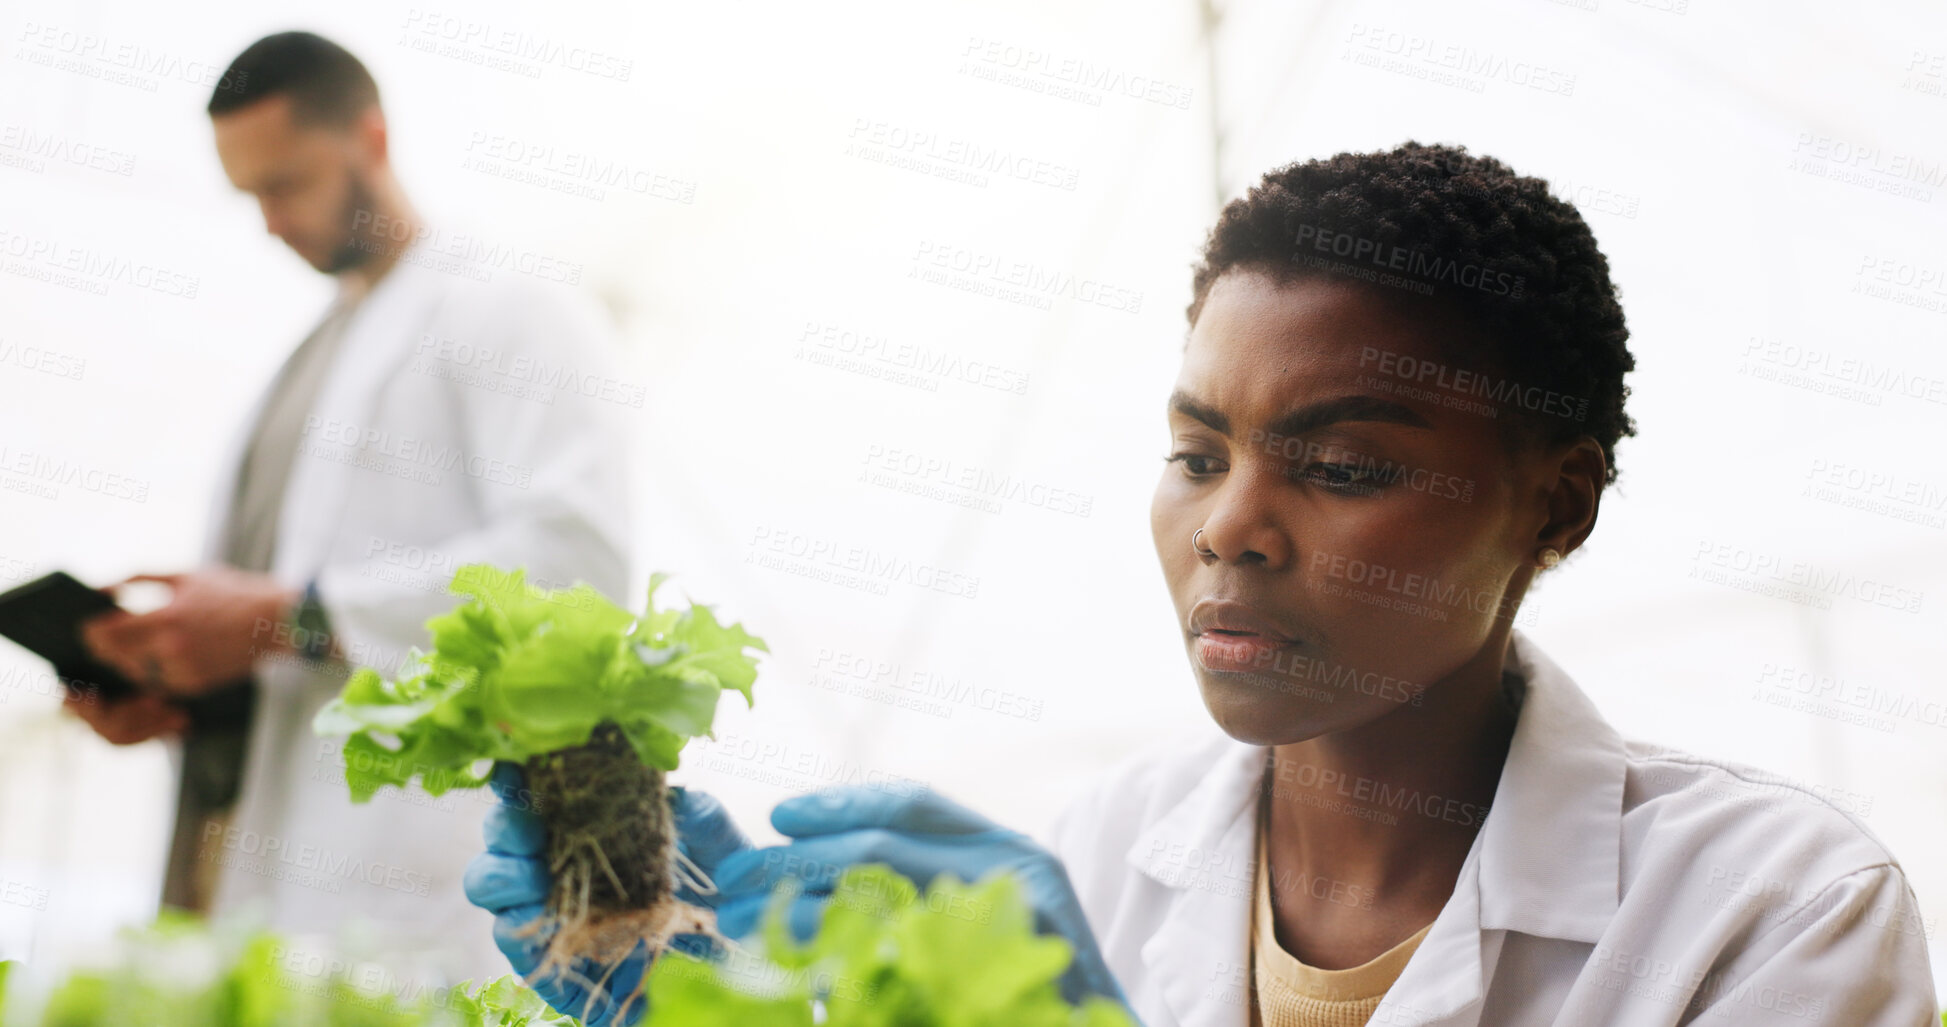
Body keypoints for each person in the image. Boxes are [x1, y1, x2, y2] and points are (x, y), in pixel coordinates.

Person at [464, 143, 1937, 1024]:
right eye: (1192, 450)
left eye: (1341, 464)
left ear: (1555, 500)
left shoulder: (1772, 911)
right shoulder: (1108, 853)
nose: (1230, 524)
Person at [71, 32, 634, 980]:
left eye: (285, 184)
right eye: (249, 196)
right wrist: (177, 681)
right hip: (260, 875)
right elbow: (285, 637)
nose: (269, 223)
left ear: (369, 136)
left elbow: (577, 572)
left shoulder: (507, 308)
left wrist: (291, 617)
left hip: (406, 897)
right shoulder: (313, 352)